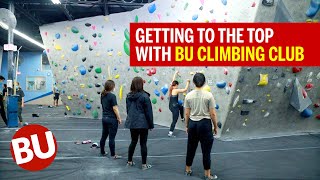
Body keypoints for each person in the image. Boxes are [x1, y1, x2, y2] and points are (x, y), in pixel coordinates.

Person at [184, 73, 218, 180]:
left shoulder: (188, 95)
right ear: (204, 82)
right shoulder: (209, 95)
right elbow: (212, 114)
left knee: (191, 148)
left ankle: (187, 170)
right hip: (205, 125)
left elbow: (186, 114)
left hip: (193, 124)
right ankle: (207, 175)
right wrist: (215, 127)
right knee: (206, 151)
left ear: (193, 82)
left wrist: (187, 126)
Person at [125, 77, 154, 170]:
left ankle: (129, 161)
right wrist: (151, 124)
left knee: (133, 141)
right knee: (143, 143)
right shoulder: (145, 96)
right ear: (141, 84)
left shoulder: (128, 96)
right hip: (143, 123)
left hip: (133, 123)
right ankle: (144, 165)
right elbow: (149, 112)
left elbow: (128, 110)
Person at [99, 80, 122, 159]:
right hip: (111, 119)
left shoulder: (102, 95)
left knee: (104, 136)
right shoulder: (112, 96)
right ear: (112, 87)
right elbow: (115, 108)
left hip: (104, 118)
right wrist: (119, 118)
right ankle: (113, 155)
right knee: (112, 137)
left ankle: (102, 151)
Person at [168, 71, 190, 137]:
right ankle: (170, 132)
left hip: (171, 106)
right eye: (177, 85)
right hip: (174, 108)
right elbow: (185, 90)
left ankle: (182, 117)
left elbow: (173, 80)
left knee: (181, 107)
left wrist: (175, 73)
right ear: (176, 85)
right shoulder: (176, 90)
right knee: (174, 120)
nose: (178, 86)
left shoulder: (171, 88)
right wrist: (188, 82)